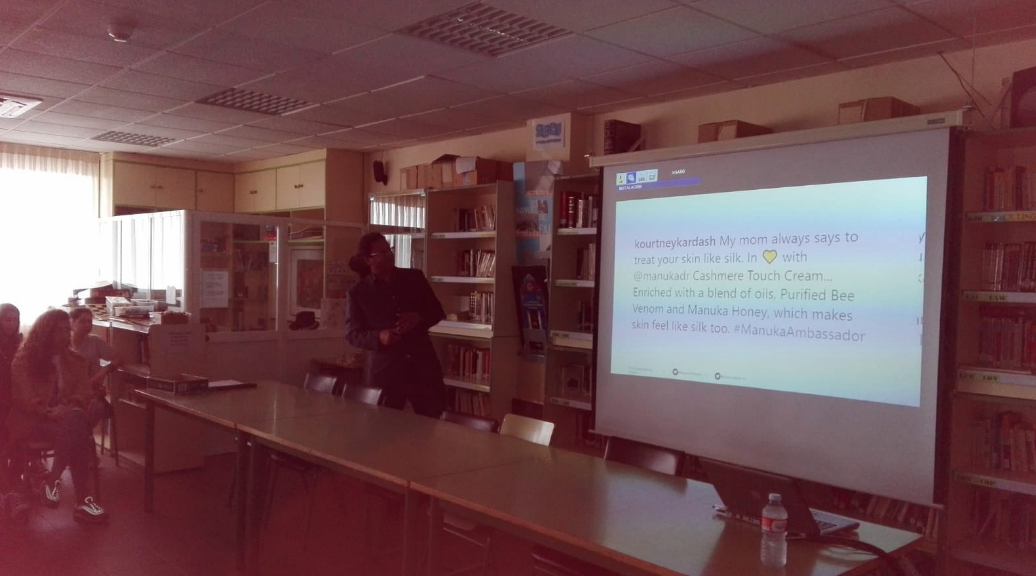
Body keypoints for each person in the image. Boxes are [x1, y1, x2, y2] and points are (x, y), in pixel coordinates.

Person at [8, 309, 109, 524]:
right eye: (60, 331)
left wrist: (68, 407)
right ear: (46, 332)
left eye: (67, 330)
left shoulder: (75, 361)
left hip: (66, 419)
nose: (66, 335)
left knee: (75, 421)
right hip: (34, 421)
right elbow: (23, 397)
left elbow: (84, 393)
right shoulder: (24, 360)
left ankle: (52, 480)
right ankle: (82, 502)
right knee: (78, 430)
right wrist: (49, 411)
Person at [346, 233, 446, 418]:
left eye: (389, 250)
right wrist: (379, 337)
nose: (389, 255)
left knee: (432, 426)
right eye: (382, 253)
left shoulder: (414, 278)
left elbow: (437, 311)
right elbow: (353, 334)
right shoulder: (359, 292)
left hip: (422, 368)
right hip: (386, 373)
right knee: (385, 429)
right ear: (368, 260)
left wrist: (419, 317)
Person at [69, 307, 121, 429]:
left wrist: (104, 370)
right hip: (69, 392)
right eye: (82, 321)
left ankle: (83, 434)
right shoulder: (64, 343)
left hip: (92, 392)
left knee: (95, 407)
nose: (87, 325)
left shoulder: (94, 341)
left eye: (89, 321)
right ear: (71, 322)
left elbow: (117, 358)